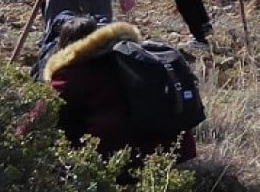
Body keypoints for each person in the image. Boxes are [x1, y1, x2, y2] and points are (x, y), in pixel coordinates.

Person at [42, 15, 196, 167]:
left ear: (65, 47)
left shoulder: (70, 76)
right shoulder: (128, 57)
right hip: (172, 151)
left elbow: (39, 116)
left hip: (119, 159)